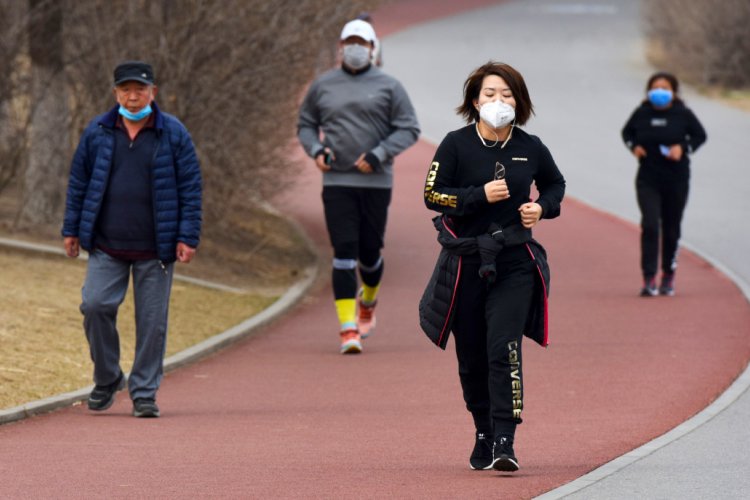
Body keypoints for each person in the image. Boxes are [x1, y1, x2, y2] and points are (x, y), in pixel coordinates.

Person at [419, 61, 565, 472]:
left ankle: (505, 438)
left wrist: (542, 207)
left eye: (506, 95)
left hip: (514, 260)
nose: (498, 102)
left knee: (504, 347)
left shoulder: (531, 146)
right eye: (489, 94)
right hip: (466, 261)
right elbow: (432, 194)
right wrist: (477, 195)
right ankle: (482, 430)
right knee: (472, 357)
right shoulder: (454, 144)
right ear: (473, 100)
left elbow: (556, 184)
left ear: (519, 102)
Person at [62, 61, 202, 418]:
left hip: (156, 248)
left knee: (152, 323)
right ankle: (108, 377)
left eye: (140, 89)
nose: (133, 96)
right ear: (116, 94)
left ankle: (144, 392)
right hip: (107, 243)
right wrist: (72, 229)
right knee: (94, 306)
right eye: (126, 90)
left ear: (153, 92)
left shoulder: (172, 132)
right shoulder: (98, 130)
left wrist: (187, 235)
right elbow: (79, 182)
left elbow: (190, 188)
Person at [298, 19, 419, 354]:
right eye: (349, 42)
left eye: (361, 43)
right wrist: (317, 150)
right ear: (340, 48)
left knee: (369, 252)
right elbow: (306, 124)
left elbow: (409, 128)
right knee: (344, 252)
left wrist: (380, 154)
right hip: (337, 179)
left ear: (371, 48)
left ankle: (368, 301)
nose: (354, 48)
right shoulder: (323, 86)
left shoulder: (389, 86)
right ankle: (347, 328)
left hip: (376, 182)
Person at [621, 72, 707, 297]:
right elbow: (627, 133)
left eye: (665, 87)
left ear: (673, 91)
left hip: (676, 179)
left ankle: (668, 274)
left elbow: (700, 135)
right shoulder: (642, 113)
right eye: (655, 87)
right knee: (650, 225)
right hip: (648, 178)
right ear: (649, 91)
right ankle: (649, 277)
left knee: (671, 228)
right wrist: (634, 147)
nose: (659, 91)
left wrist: (683, 147)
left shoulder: (683, 114)